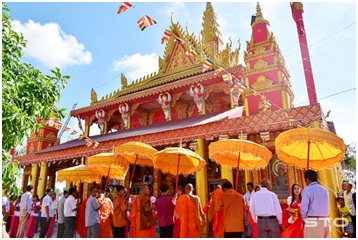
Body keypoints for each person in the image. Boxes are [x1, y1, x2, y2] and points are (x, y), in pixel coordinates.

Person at [301, 170, 331, 238]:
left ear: (307, 179)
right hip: (325, 220)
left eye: (305, 179)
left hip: (313, 221)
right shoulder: (324, 190)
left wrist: (304, 219)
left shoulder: (307, 190)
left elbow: (304, 208)